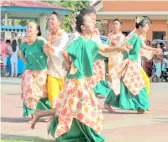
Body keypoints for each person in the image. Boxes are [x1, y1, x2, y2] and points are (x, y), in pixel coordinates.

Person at [30, 10, 131, 141]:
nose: (94, 22)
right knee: (84, 108)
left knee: (69, 108)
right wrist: (68, 65)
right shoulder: (79, 41)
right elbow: (66, 53)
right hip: (76, 81)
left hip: (83, 80)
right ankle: (88, 134)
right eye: (90, 21)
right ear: (83, 27)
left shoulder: (91, 43)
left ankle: (41, 114)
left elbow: (104, 49)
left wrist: (120, 48)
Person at [104, 16, 161, 114]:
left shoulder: (137, 37)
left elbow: (143, 46)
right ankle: (141, 106)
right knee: (138, 85)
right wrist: (125, 49)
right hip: (130, 64)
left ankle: (140, 106)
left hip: (133, 65)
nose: (148, 29)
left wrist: (155, 50)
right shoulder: (133, 36)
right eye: (147, 26)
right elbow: (125, 47)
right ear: (141, 26)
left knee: (125, 85)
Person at [20, 21, 50, 119]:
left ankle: (43, 113)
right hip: (29, 71)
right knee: (30, 91)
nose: (28, 29)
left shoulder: (41, 41)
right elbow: (22, 56)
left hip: (42, 72)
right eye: (27, 27)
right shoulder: (24, 44)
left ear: (37, 31)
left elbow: (48, 53)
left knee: (42, 94)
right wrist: (28, 64)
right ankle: (33, 115)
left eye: (31, 27)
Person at [40, 12, 69, 108]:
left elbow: (61, 52)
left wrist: (50, 48)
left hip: (63, 71)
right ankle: (54, 118)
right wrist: (46, 49)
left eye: (53, 19)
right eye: (49, 19)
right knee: (53, 98)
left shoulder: (64, 36)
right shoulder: (47, 35)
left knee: (64, 99)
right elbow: (46, 52)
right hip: (51, 71)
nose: (50, 21)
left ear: (59, 22)